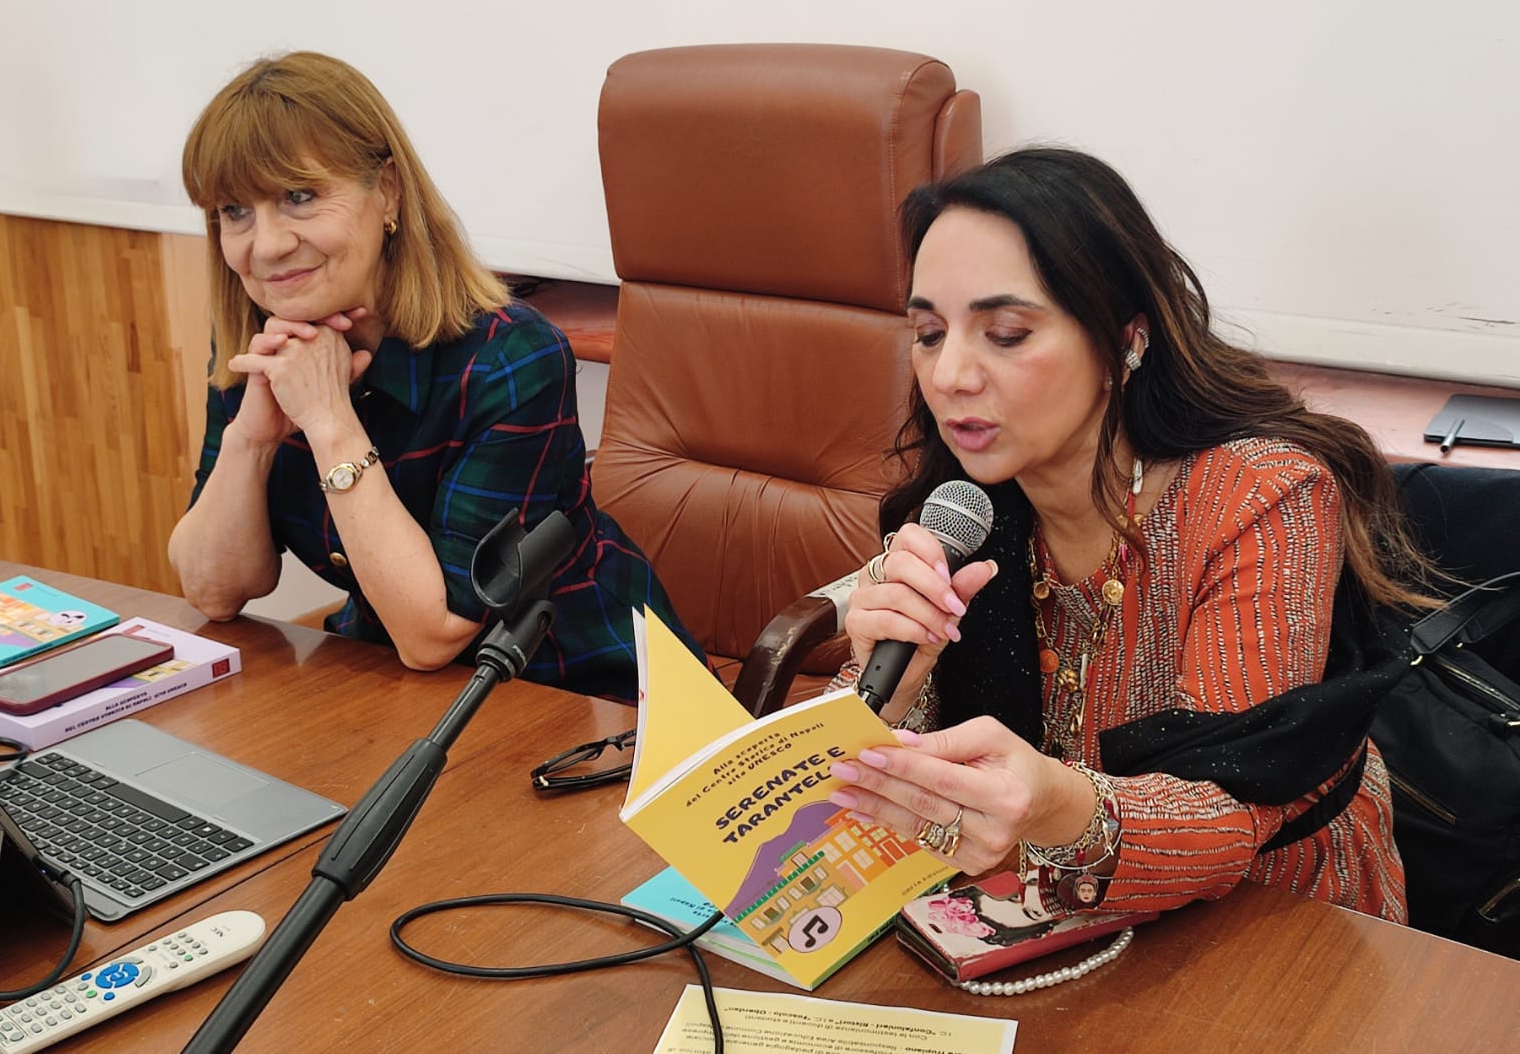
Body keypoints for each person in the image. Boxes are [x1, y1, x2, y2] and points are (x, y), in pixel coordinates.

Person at [824, 147, 1439, 922]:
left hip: (1271, 917)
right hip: (1038, 898)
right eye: (928, 333)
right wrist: (888, 690)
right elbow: (837, 794)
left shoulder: (1259, 497)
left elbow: (1233, 804)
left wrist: (1058, 806)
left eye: (1004, 333)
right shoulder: (963, 507)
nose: (949, 375)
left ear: (1126, 340)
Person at [167, 51, 701, 704]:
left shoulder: (510, 357)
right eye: (235, 211)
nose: (267, 244)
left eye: (299, 197)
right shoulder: (269, 343)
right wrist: (252, 438)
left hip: (579, 693)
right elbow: (214, 590)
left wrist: (330, 421)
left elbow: (434, 632)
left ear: (387, 191)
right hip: (399, 686)